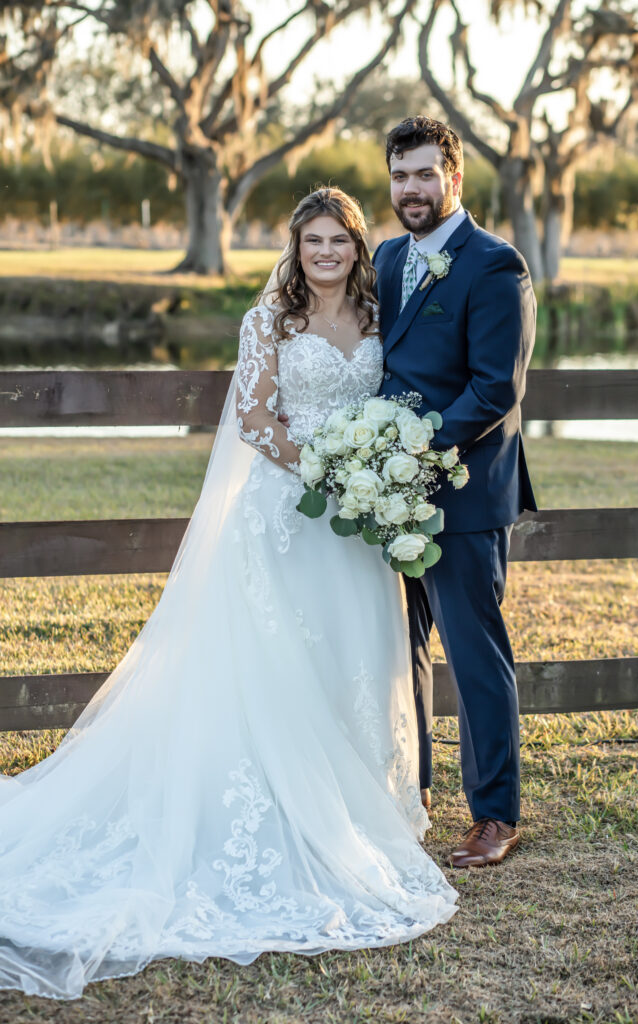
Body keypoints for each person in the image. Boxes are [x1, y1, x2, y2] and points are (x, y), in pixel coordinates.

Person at [0, 188, 456, 1000]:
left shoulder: (383, 317)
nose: (325, 254)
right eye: (312, 241)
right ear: (297, 246)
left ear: (357, 247)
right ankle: (282, 817)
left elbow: (394, 403)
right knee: (275, 665)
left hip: (355, 526)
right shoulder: (268, 320)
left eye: (338, 241)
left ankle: (358, 817)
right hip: (287, 513)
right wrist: (327, 466)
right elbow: (252, 420)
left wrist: (371, 470)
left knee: (350, 655)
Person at [373, 116, 537, 868]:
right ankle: (414, 791)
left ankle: (493, 815)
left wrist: (415, 449)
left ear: (454, 178)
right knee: (397, 650)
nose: (411, 189)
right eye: (400, 175)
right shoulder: (382, 257)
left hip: (464, 494)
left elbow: (494, 388)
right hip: (384, 500)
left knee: (474, 658)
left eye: (424, 174)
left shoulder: (494, 264)